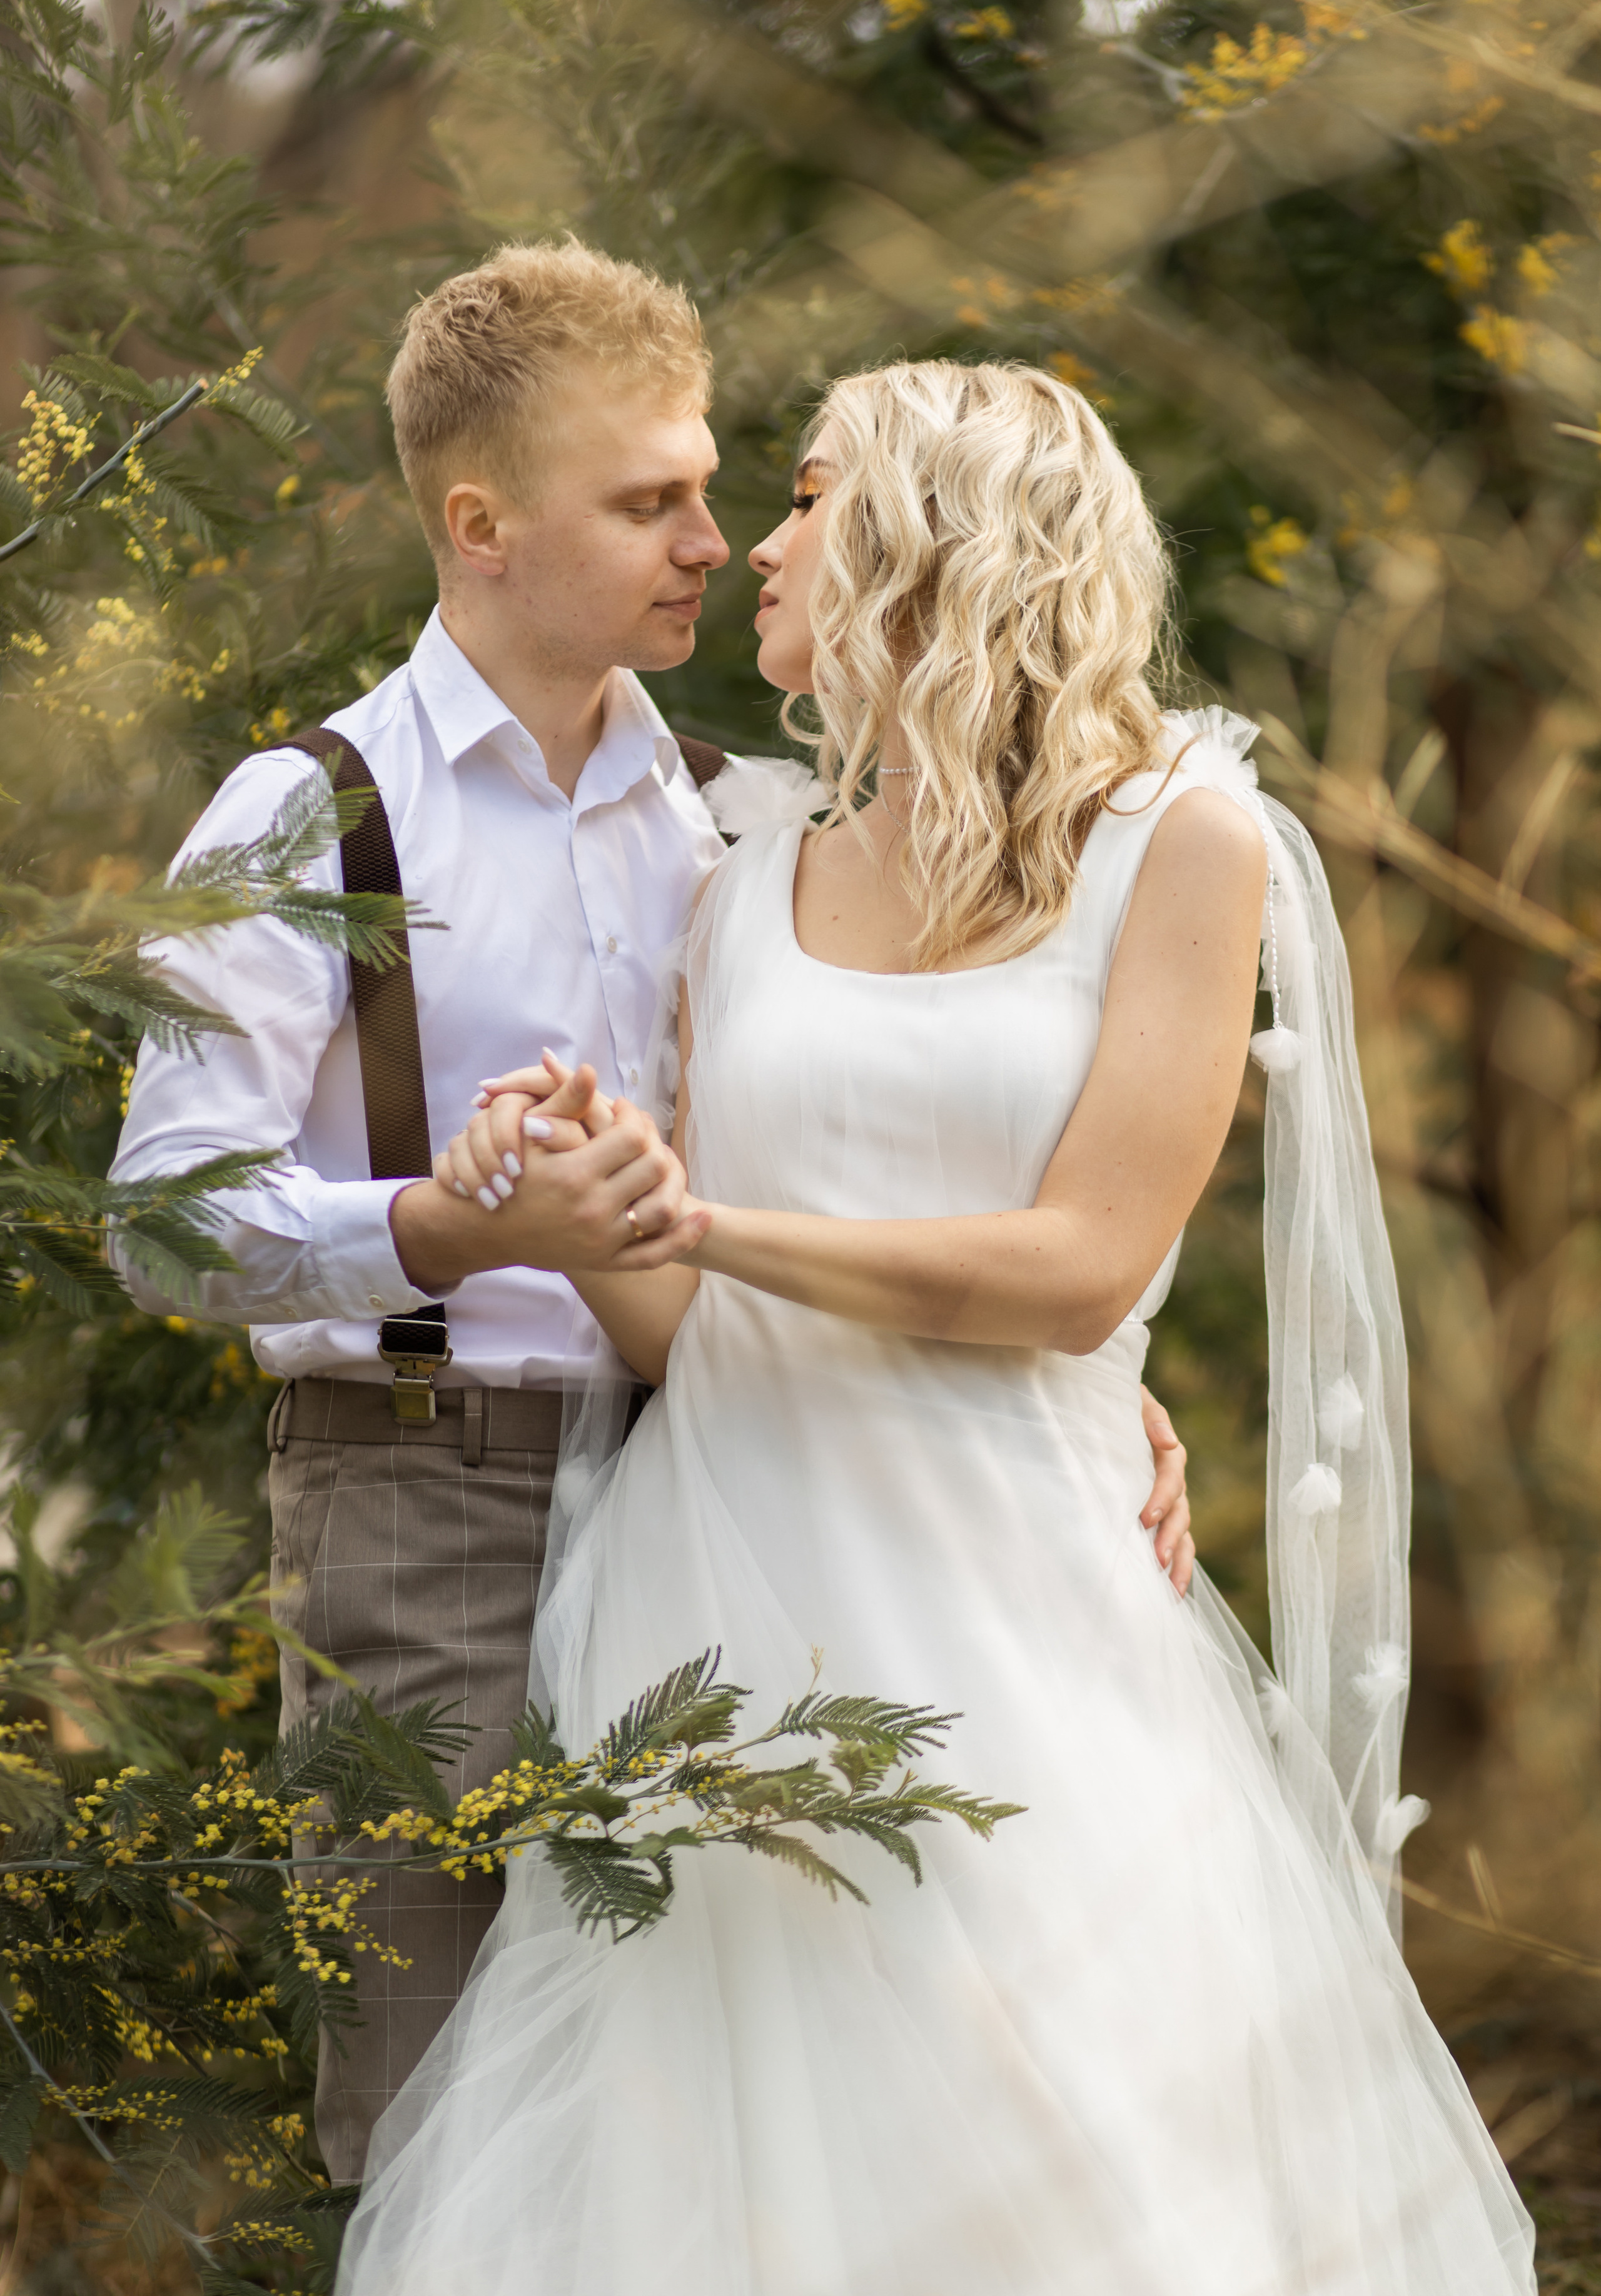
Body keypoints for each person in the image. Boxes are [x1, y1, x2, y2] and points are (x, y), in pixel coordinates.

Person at [335, 358, 1536, 2296]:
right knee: (709, 2189)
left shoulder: (1182, 840)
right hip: (719, 1588)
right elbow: (677, 1324)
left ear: (938, 541)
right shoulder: (747, 872)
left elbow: (1078, 1268)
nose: (760, 545)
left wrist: (727, 1224)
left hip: (1013, 1603)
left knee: (1058, 2152)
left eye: (809, 498)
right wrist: (576, 1182)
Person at [109, 245, 1193, 2187]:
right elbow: (162, 1228)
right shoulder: (308, 820)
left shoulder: (752, 812)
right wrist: (435, 1231)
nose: (712, 537)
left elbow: (927, 1141)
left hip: (752, 1499)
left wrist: (1099, 1388)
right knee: (441, 2114)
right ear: (484, 525)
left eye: (714, 487)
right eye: (650, 502)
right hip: (427, 1492)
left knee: (730, 2122)